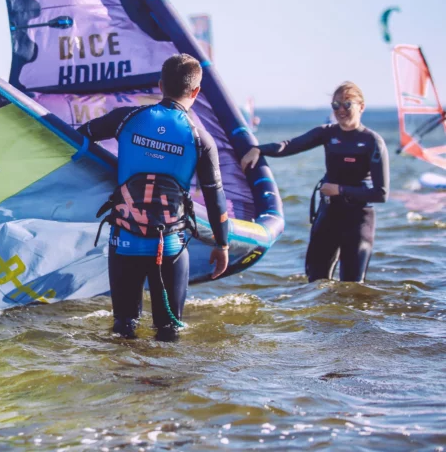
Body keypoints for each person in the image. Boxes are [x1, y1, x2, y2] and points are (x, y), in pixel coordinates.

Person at [77, 54, 230, 341]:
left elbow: (78, 139)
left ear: (160, 85)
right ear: (196, 91)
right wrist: (222, 244)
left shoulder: (127, 118)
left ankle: (123, 370)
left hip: (124, 242)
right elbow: (215, 198)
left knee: (123, 329)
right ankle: (162, 372)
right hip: (169, 246)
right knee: (169, 332)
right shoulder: (201, 139)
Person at [240, 82, 388, 283]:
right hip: (329, 215)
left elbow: (381, 193)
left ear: (361, 106)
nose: (341, 110)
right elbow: (289, 146)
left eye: (347, 104)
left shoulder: (372, 141)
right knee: (315, 282)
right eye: (336, 105)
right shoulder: (328, 133)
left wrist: (339, 189)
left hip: (358, 219)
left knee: (352, 286)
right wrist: (258, 149)